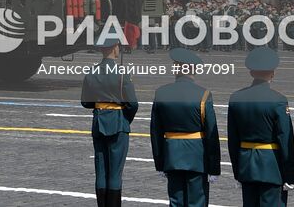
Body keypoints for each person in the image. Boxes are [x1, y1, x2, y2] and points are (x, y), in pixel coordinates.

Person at [150, 47, 221, 207]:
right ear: (193, 69)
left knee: (176, 202)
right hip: (197, 157)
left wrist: (160, 163)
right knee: (197, 202)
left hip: (172, 156)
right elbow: (211, 133)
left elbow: (155, 132)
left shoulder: (162, 93)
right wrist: (214, 167)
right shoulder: (203, 94)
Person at [227, 46, 294, 207]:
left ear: (251, 72)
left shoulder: (236, 98)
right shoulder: (278, 99)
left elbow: (233, 139)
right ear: (273, 73)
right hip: (271, 166)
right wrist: (290, 175)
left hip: (246, 165)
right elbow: (285, 138)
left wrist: (238, 172)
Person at [81, 27, 137, 207]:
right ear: (115, 48)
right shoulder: (122, 73)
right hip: (118, 122)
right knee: (115, 173)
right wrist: (124, 117)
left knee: (101, 171)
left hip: (99, 123)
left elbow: (85, 102)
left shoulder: (92, 73)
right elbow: (133, 104)